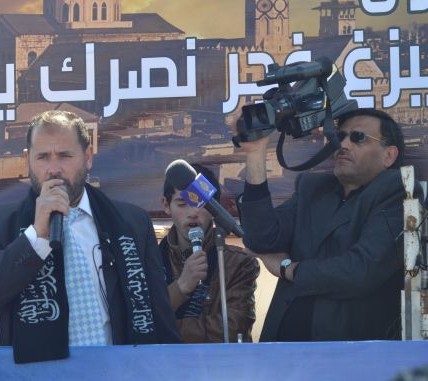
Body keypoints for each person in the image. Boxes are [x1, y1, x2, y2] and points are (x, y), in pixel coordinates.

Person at [0, 110, 180, 362]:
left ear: (88, 157)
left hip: (121, 369)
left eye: (65, 156)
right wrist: (36, 237)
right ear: (27, 160)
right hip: (38, 374)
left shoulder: (132, 223)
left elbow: (160, 315)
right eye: (42, 157)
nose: (53, 169)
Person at [238, 108, 406, 341]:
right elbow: (261, 238)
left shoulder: (398, 192)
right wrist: (255, 153)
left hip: (350, 352)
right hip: (281, 348)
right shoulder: (312, 188)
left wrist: (289, 269)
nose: (343, 144)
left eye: (358, 137)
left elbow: (360, 271)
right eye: (340, 136)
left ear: (389, 155)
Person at [159, 162, 259, 343]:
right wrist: (181, 287)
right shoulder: (147, 259)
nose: (193, 212)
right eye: (182, 203)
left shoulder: (239, 262)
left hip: (220, 360)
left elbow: (233, 328)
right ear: (166, 205)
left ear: (215, 207)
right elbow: (139, 321)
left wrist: (163, 331)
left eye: (201, 203)